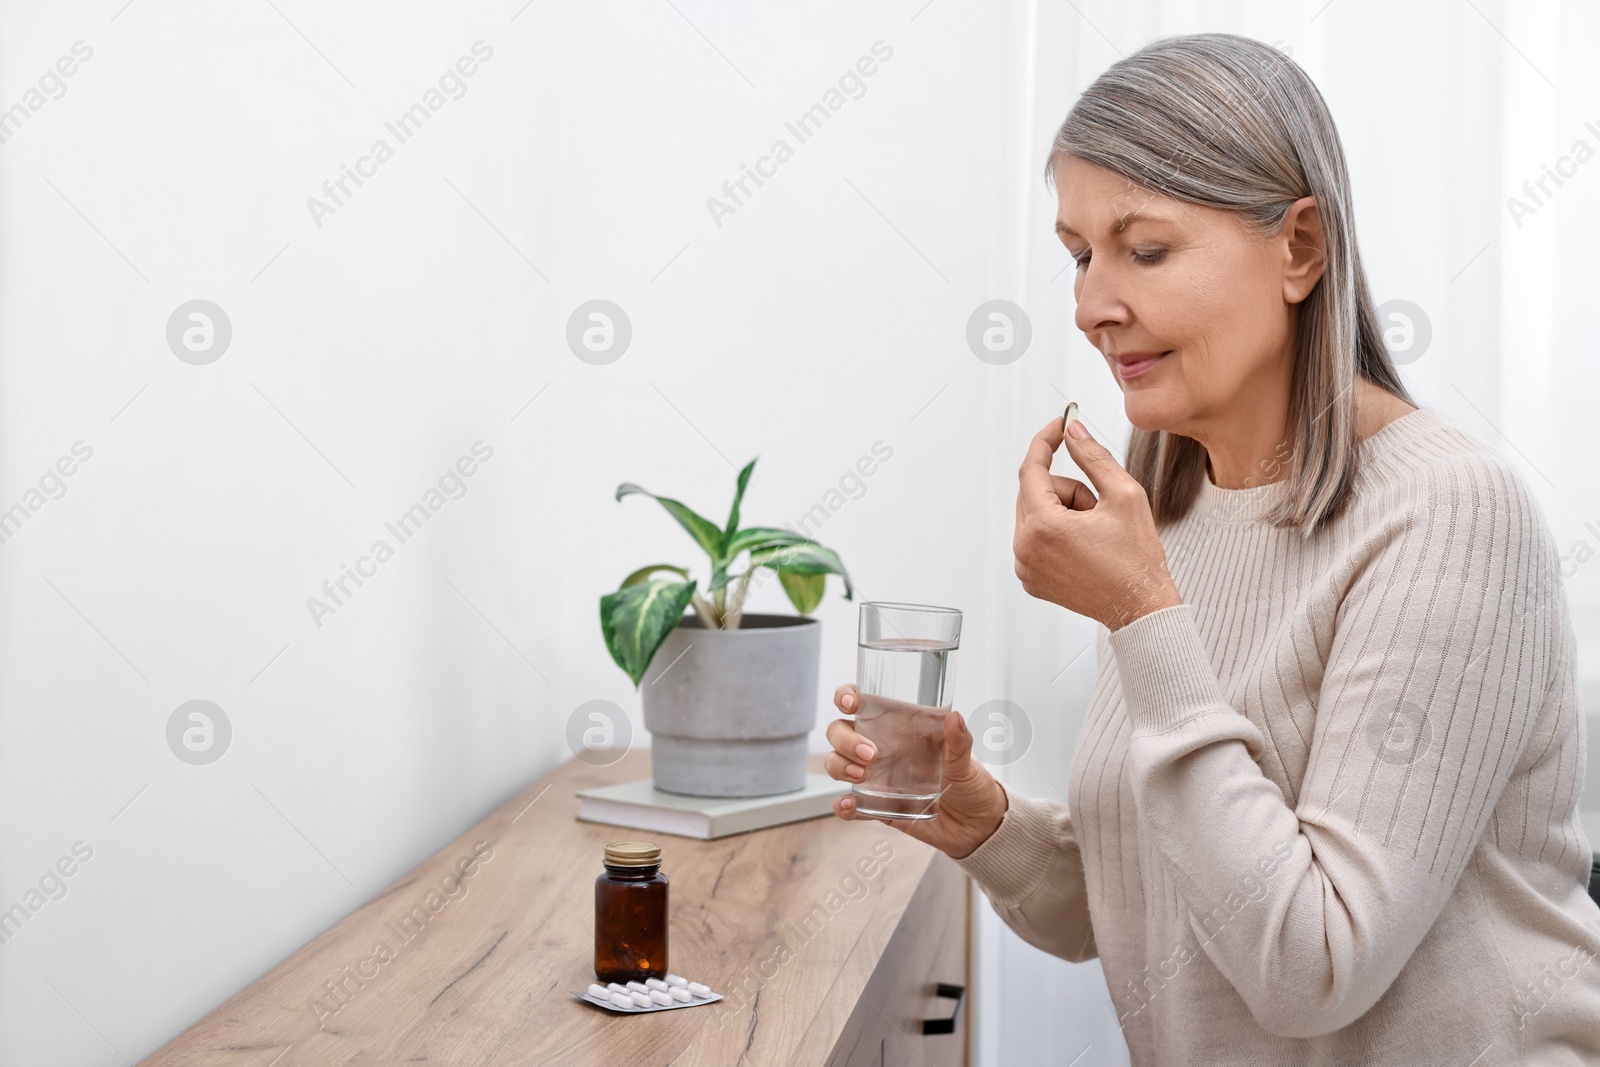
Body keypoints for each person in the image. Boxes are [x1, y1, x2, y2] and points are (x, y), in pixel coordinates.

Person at [825, 32, 1600, 1065]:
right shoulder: (1168, 517)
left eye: (1143, 249)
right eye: (1078, 254)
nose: (1092, 304)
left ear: (1299, 248)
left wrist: (1143, 614)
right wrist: (983, 816)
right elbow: (1153, 907)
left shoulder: (1448, 512)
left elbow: (1308, 965)